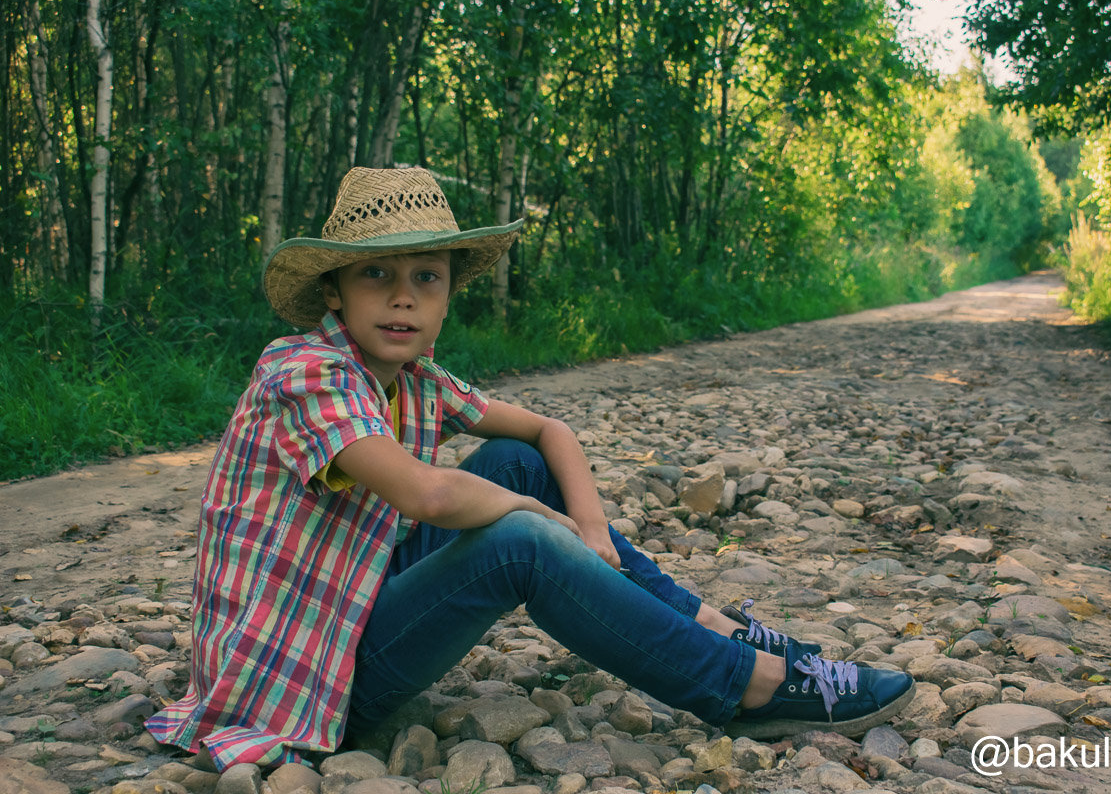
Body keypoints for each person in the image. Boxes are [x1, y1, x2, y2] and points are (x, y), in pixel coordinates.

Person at [144, 166, 914, 771]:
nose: (404, 298)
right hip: (307, 675)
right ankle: (746, 687)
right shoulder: (305, 372)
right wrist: (552, 528)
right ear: (336, 291)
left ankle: (716, 627)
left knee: (515, 462)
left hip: (356, 605)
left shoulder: (416, 378)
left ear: (448, 297)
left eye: (428, 278)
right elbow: (428, 492)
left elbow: (550, 431)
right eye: (378, 275)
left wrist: (590, 527)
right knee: (519, 540)